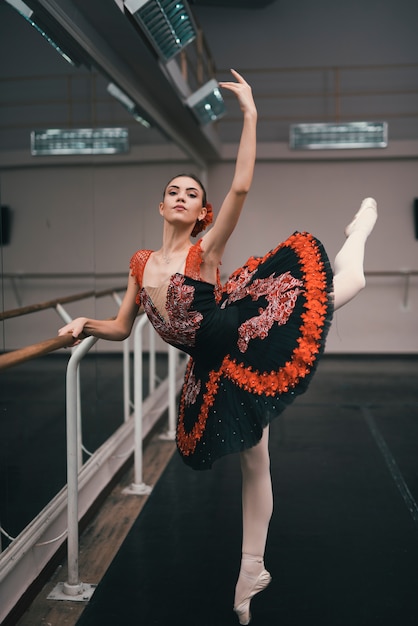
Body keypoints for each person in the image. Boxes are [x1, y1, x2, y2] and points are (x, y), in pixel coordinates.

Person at [58, 69, 377, 625]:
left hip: (244, 333)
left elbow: (242, 187)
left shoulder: (204, 250)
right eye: (173, 192)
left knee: (341, 289)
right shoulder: (139, 263)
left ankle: (359, 236)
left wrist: (250, 113)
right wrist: (85, 324)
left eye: (192, 194)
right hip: (208, 367)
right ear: (161, 206)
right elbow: (122, 327)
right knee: (257, 461)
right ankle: (252, 571)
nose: (182, 198)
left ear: (199, 211)